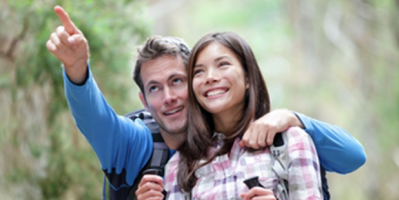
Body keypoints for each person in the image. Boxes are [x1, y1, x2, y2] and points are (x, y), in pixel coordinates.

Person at [45, 6, 366, 199]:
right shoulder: (144, 146)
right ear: (143, 99)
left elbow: (352, 156)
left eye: (177, 81)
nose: (169, 97)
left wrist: (293, 118)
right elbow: (95, 119)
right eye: (155, 88)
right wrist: (76, 69)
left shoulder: (273, 138)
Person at [163, 31, 321, 199]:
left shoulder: (291, 141)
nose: (209, 77)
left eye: (223, 64)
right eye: (199, 71)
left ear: (247, 77)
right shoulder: (179, 165)